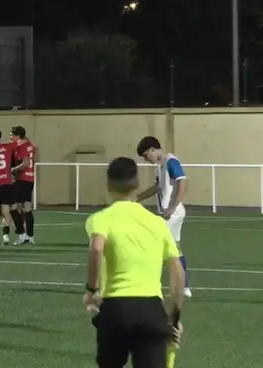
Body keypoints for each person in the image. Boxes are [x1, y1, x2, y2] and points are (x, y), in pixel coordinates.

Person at [84, 157, 185, 368]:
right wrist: (174, 317)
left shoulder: (101, 218)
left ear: (109, 186)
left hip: (116, 309)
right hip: (151, 310)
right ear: (137, 185)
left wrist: (91, 289)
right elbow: (177, 271)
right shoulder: (157, 223)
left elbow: (96, 247)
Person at [135, 136, 191, 298]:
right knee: (175, 250)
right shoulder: (161, 166)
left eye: (146, 156)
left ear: (153, 150)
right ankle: (184, 288)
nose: (146, 160)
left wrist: (172, 207)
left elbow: (182, 182)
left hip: (171, 214)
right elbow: (157, 188)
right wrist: (137, 197)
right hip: (171, 213)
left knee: (155, 246)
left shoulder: (171, 161)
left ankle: (150, 286)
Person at [10, 126, 38, 245]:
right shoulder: (30, 144)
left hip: (22, 179)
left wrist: (13, 169)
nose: (10, 137)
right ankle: (30, 236)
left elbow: (26, 163)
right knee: (27, 206)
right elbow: (34, 155)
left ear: (17, 135)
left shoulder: (21, 147)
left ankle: (22, 234)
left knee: (13, 206)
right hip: (30, 178)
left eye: (12, 135)